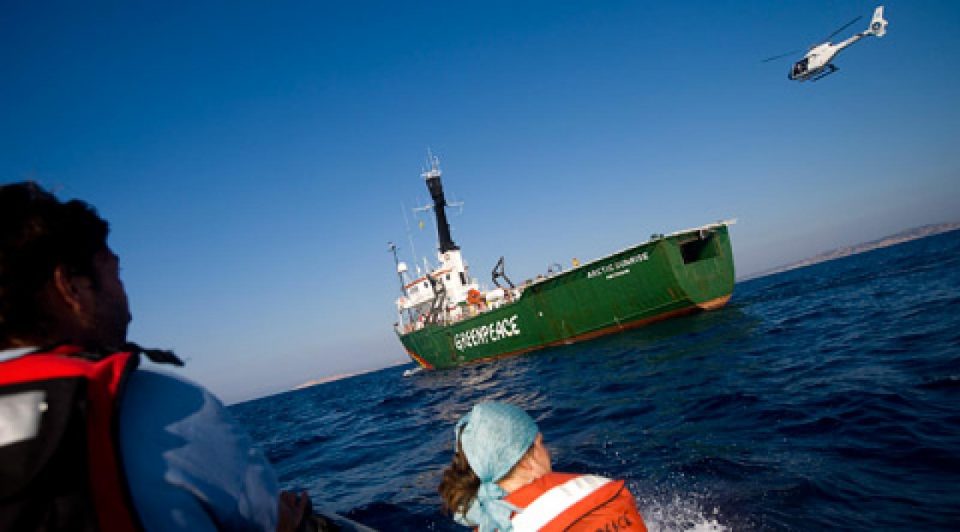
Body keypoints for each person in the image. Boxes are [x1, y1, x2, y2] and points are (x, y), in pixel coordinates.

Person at [0, 182, 313, 531]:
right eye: (114, 274)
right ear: (71, 288)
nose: (126, 300)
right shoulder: (170, 406)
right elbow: (266, 520)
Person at [438, 401, 647, 532]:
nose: (548, 453)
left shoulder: (487, 524)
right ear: (526, 460)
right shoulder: (599, 489)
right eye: (541, 444)